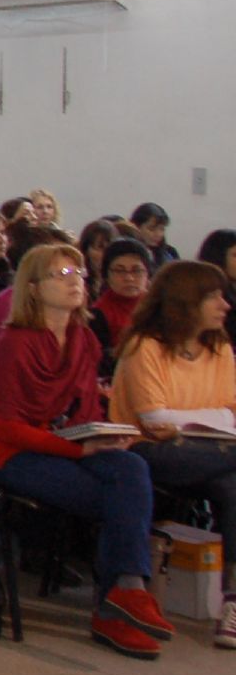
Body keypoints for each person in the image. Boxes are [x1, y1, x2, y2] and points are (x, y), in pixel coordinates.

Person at [0, 246, 171, 658]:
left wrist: (108, 435)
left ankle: (125, 593)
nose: (74, 280)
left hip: (64, 443)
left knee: (131, 466)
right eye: (61, 273)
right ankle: (114, 609)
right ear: (33, 287)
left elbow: (83, 410)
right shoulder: (14, 344)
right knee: (120, 497)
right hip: (12, 454)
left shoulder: (83, 338)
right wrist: (77, 449)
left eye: (79, 272)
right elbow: (3, 427)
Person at [108, 260, 236, 647]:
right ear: (185, 302)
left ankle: (232, 603)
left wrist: (192, 421)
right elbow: (153, 417)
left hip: (213, 452)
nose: (225, 305)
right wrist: (209, 419)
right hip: (144, 450)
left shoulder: (220, 348)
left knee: (234, 487)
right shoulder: (144, 346)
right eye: (213, 296)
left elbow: (229, 412)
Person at [90, 237, 152, 362]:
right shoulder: (97, 314)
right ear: (106, 276)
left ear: (148, 273)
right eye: (119, 270)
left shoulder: (159, 305)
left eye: (136, 270)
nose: (129, 278)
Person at [131, 202, 176, 270]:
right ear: (136, 227)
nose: (158, 234)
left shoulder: (170, 253)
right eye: (151, 229)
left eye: (162, 229)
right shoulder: (127, 253)